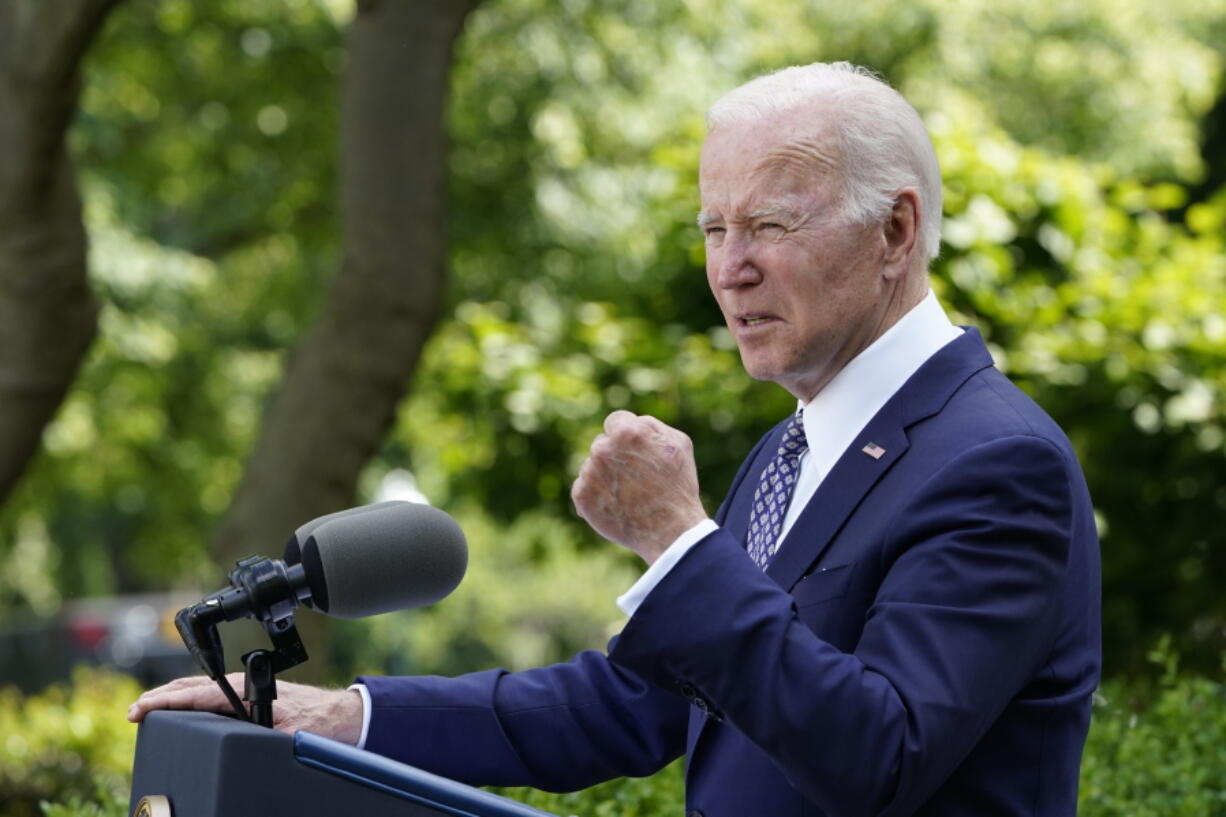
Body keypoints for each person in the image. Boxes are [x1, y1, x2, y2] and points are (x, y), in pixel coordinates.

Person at [129, 62, 1101, 817]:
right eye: (712, 228)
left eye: (767, 222)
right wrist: (347, 718)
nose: (731, 269)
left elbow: (877, 753)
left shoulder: (991, 461)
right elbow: (636, 706)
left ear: (894, 232)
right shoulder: (792, 452)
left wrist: (679, 545)